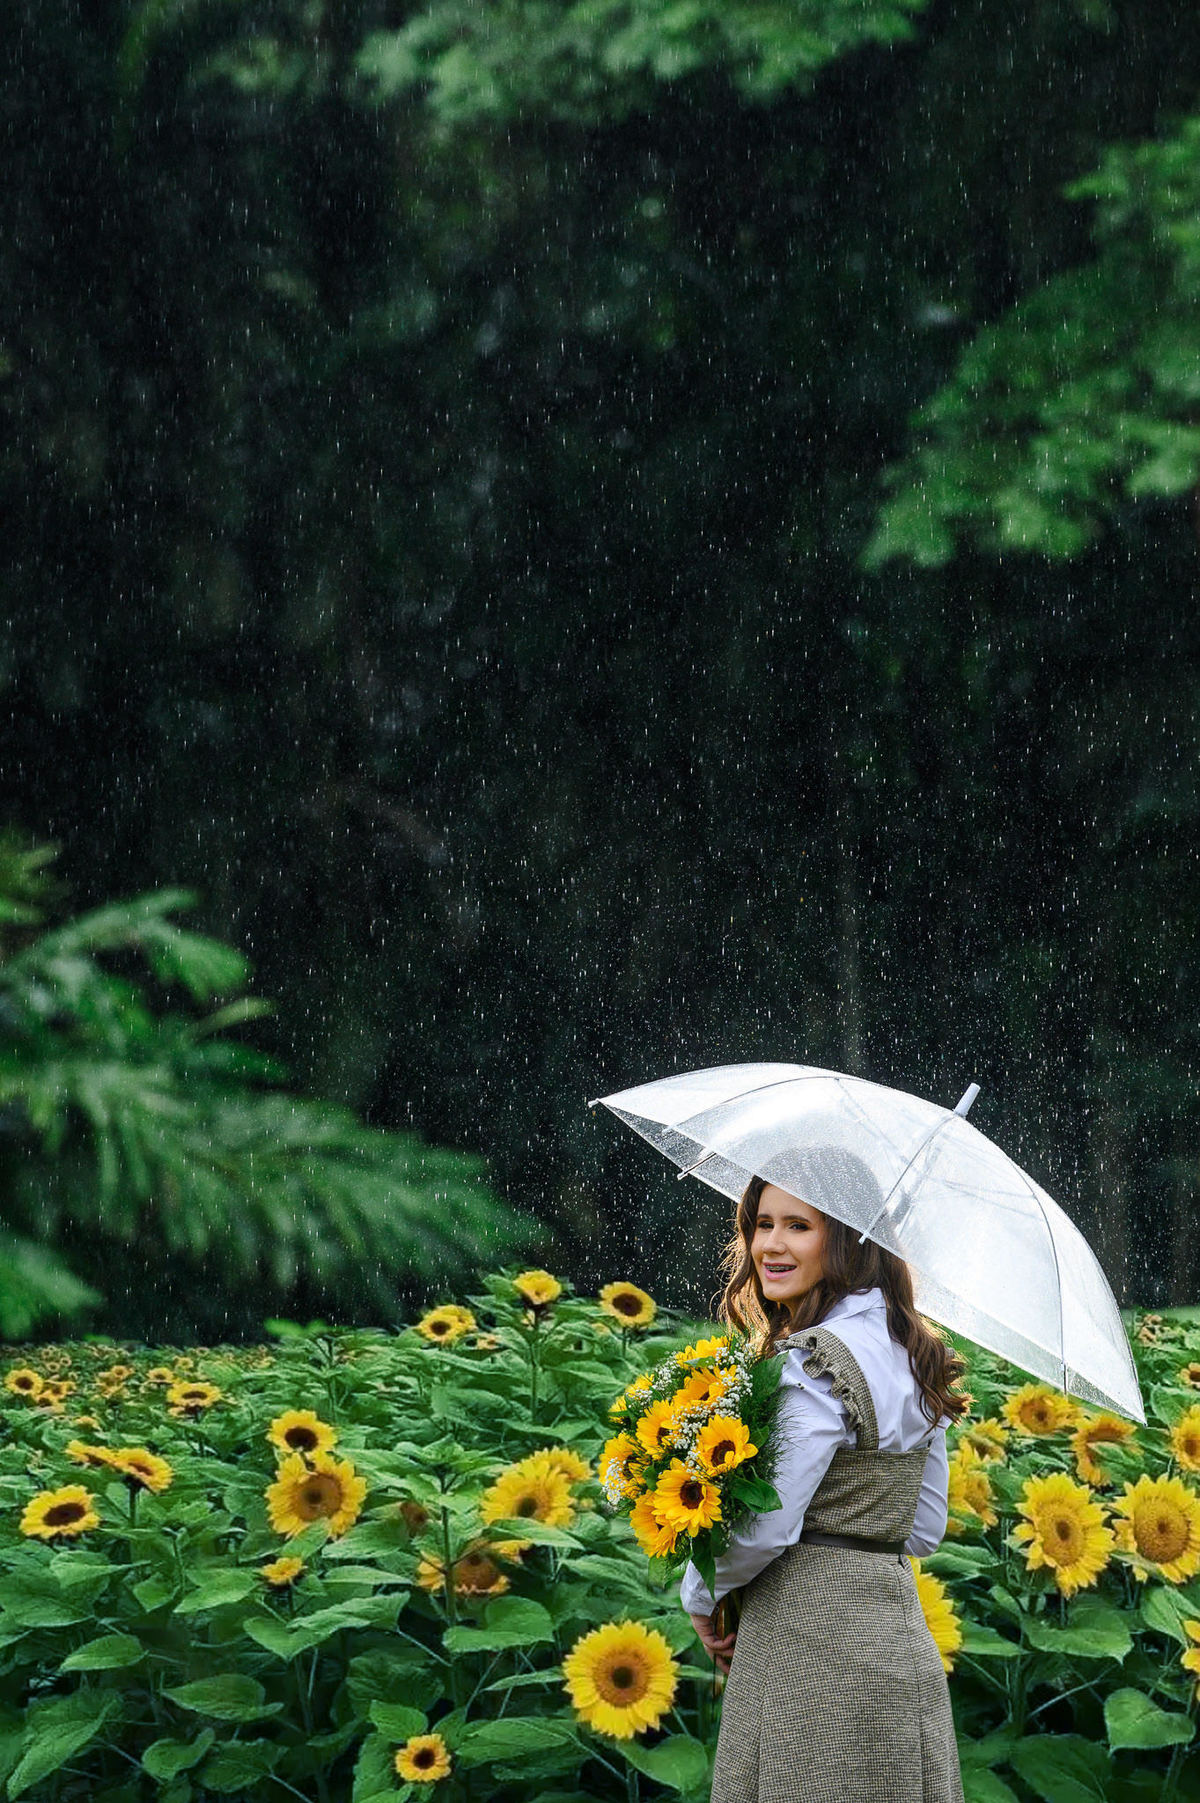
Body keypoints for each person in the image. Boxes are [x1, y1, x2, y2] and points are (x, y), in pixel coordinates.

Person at [681, 1172, 970, 1803]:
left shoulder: (814, 1363)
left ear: (846, 1239)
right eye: (763, 1223)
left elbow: (769, 1524)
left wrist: (701, 1594)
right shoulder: (915, 1355)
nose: (770, 1246)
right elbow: (922, 1530)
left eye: (799, 1226)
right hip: (896, 1643)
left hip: (804, 1647)